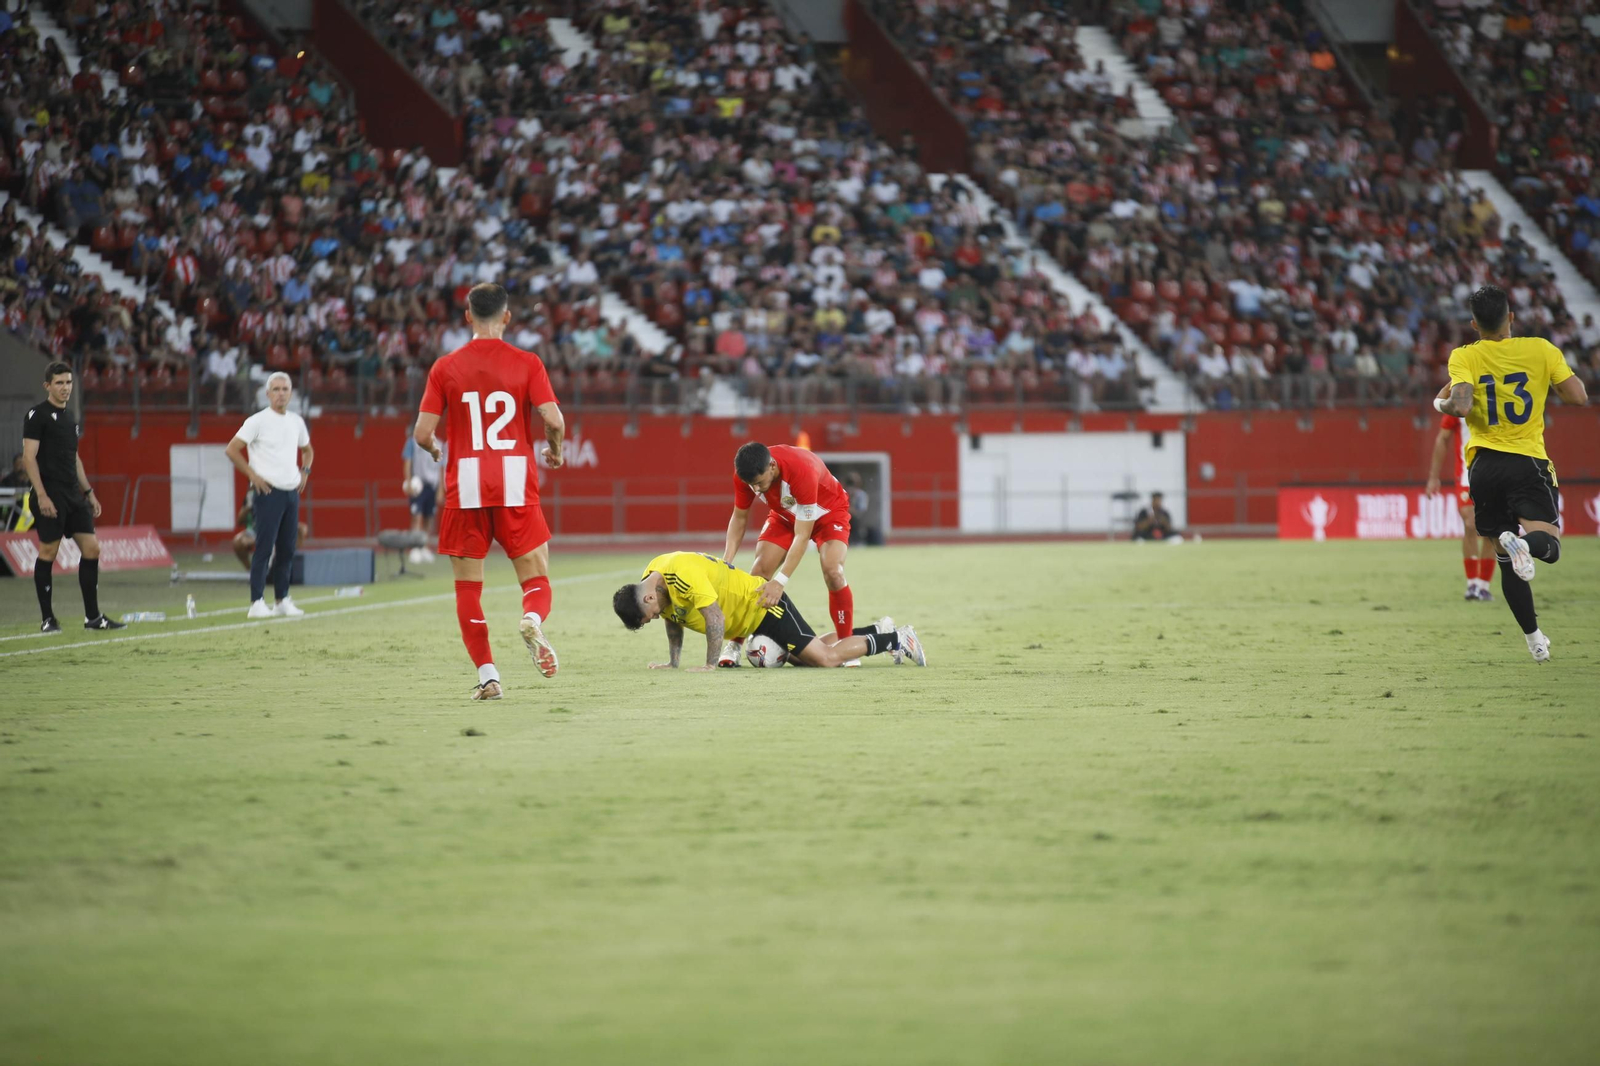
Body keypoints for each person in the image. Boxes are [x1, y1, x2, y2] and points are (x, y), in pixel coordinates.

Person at [414, 282, 565, 700]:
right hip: (515, 479)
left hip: (466, 484)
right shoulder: (527, 362)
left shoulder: (445, 367)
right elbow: (553, 420)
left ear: (467, 318)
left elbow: (422, 432)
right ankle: (532, 617)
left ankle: (488, 677)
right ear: (507, 317)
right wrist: (555, 452)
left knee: (468, 589)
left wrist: (434, 448)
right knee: (536, 576)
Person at [1434, 285, 1588, 663]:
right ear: (1511, 318)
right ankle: (1526, 545)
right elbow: (1578, 396)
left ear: (1473, 324)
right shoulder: (1540, 349)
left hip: (1483, 467)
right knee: (1547, 546)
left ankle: (1535, 639)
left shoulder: (1464, 356)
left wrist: (1439, 400)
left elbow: (1459, 403)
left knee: (1505, 558)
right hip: (1527, 462)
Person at [612, 551, 924, 669]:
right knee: (809, 658)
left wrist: (709, 665)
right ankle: (877, 631)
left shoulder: (680, 573)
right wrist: (674, 662)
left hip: (763, 606)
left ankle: (897, 639)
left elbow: (715, 617)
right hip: (750, 620)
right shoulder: (654, 587)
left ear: (649, 600)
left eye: (648, 617)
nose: (654, 619)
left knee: (825, 660)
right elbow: (672, 621)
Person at [720, 441, 857, 667]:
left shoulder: (802, 470)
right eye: (751, 485)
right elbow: (739, 517)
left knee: (834, 572)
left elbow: (802, 536)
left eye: (759, 483)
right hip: (785, 515)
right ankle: (734, 645)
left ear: (772, 466)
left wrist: (780, 581)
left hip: (828, 513)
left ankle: (847, 648)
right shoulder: (746, 474)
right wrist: (727, 560)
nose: (755, 490)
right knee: (757, 575)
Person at [20, 361, 126, 633]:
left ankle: (93, 617)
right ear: (47, 386)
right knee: (48, 552)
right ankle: (47, 619)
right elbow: (28, 458)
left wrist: (88, 492)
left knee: (92, 549)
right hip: (50, 494)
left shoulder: (70, 419)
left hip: (72, 495)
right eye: (59, 383)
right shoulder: (37, 415)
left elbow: (74, 458)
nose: (65, 387)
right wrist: (41, 495)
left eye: (68, 382)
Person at [225, 372, 314, 620]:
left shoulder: (296, 421)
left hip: (291, 492)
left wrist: (305, 471)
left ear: (291, 392)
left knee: (287, 549)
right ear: (267, 394)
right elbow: (232, 449)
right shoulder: (257, 421)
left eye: (285, 389)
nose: (281, 393)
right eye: (275, 389)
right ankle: (256, 602)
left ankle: (282, 599)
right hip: (268, 492)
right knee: (263, 548)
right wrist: (252, 475)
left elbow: (307, 450)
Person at [1425, 414, 1496, 600]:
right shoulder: (1460, 398)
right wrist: (1434, 477)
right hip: (1467, 474)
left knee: (1492, 530)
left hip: (1495, 473)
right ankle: (1472, 584)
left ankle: (1483, 585)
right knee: (1471, 523)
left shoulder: (1498, 395)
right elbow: (1442, 438)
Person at [231, 488, 308, 569]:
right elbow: (240, 521)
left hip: (277, 529)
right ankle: (250, 569)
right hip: (256, 530)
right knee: (238, 542)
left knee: (301, 529)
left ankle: (287, 559)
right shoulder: (252, 495)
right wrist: (248, 508)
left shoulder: (280, 493)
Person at [401, 424, 443, 563]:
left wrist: (440, 489)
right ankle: (415, 548)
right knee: (417, 516)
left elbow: (441, 468)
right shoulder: (412, 442)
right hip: (418, 484)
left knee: (429, 518)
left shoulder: (440, 444)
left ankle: (424, 547)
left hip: (432, 485)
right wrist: (408, 481)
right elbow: (408, 461)